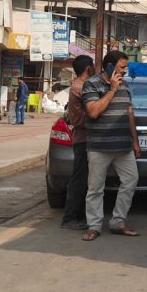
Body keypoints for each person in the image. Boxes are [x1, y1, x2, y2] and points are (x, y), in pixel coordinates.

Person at [81, 50, 141, 241]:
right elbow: (93, 112)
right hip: (99, 147)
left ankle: (118, 222)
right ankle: (94, 226)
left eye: (126, 67)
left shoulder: (126, 86)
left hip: (123, 147)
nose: (124, 71)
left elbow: (130, 113)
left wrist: (135, 140)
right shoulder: (91, 84)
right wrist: (112, 90)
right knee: (95, 188)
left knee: (131, 180)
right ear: (109, 66)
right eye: (122, 67)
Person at [60, 55, 95, 230]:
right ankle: (70, 218)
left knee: (83, 179)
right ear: (88, 67)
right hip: (83, 138)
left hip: (85, 137)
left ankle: (78, 215)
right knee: (79, 179)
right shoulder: (80, 87)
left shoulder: (81, 86)